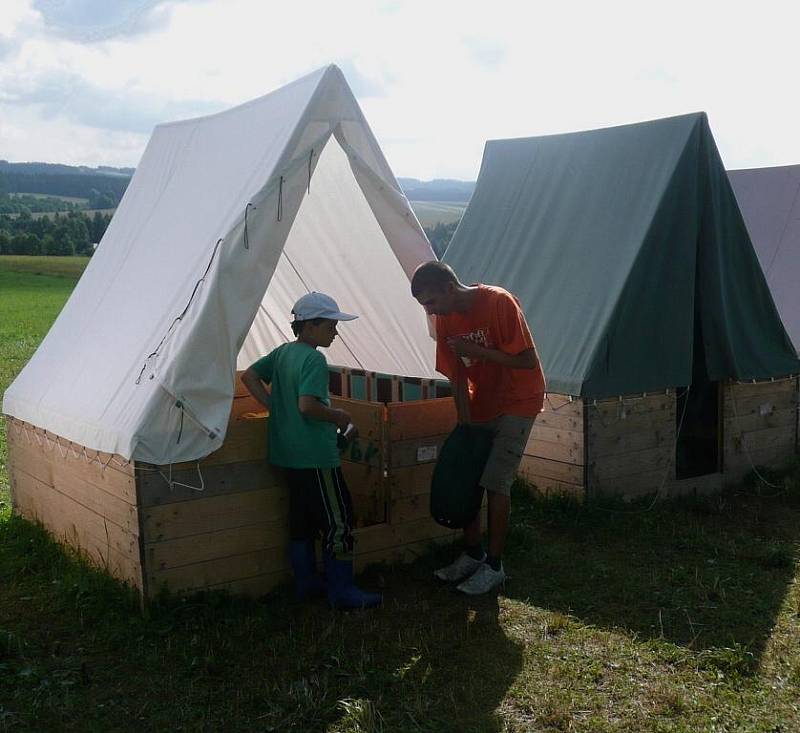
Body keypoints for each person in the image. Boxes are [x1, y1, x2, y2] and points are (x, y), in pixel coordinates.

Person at [411, 262, 545, 595]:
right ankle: (473, 553)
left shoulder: (499, 302)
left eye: (431, 302)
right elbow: (456, 375)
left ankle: (495, 565)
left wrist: (478, 352)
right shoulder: (444, 321)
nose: (430, 311)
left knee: (496, 482)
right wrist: (463, 420)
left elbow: (528, 360)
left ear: (448, 288)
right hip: (481, 402)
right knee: (469, 475)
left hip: (519, 400)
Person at [241, 292, 381, 610]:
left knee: (301, 520)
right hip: (316, 457)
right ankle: (342, 590)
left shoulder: (282, 353)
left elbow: (249, 376)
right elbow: (307, 406)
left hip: (287, 455)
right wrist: (340, 417)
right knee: (339, 520)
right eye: (330, 326)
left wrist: (273, 406)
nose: (335, 332)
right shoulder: (314, 359)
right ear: (310, 326)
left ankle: (306, 585)